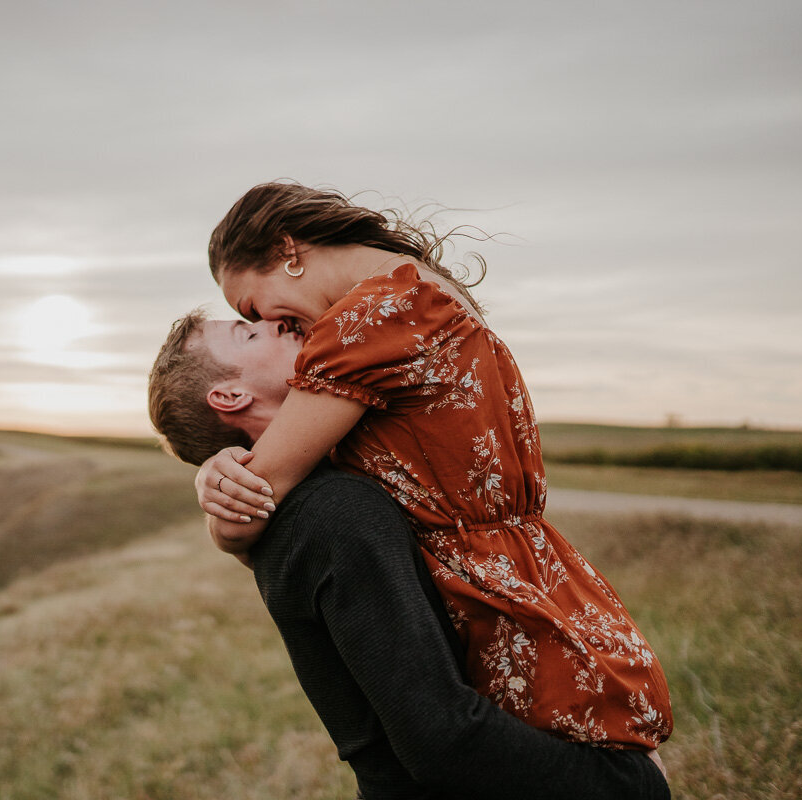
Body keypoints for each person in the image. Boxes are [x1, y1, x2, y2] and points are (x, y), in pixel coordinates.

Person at [185, 181, 673, 752]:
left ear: (287, 251)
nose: (274, 324)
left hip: (478, 599)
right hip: (532, 575)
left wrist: (217, 504)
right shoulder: (424, 290)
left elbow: (254, 503)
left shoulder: (365, 323)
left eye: (250, 307)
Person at [147, 311, 669, 797]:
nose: (277, 322)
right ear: (230, 396)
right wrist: (628, 785)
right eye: (249, 332)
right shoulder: (333, 512)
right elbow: (442, 740)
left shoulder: (300, 508)